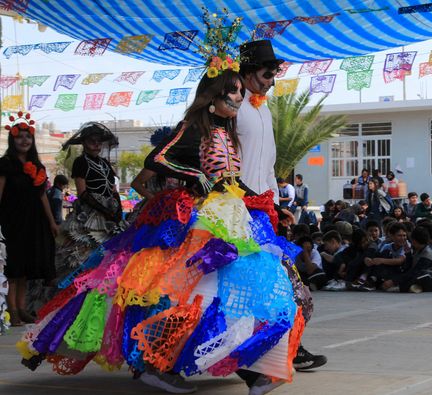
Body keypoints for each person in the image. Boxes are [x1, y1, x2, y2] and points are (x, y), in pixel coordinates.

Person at [19, 41, 304, 395]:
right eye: (232, 93)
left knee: (245, 286)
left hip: (232, 215)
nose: (237, 99)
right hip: (199, 219)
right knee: (190, 291)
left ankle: (257, 367)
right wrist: (193, 175)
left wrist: (263, 201)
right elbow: (158, 159)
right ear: (214, 94)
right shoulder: (197, 126)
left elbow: (230, 179)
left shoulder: (226, 131)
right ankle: (157, 363)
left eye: (239, 93)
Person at [238, 38, 326, 374]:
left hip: (265, 212)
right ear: (247, 72)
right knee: (253, 289)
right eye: (266, 72)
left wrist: (276, 204)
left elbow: (268, 166)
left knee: (286, 286)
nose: (271, 79)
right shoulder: (234, 109)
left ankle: (288, 348)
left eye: (275, 72)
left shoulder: (262, 110)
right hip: (238, 213)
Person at [0, 112, 58, 326]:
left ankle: (22, 308)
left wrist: (52, 221)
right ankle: (12, 311)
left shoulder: (38, 167)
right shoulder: (5, 164)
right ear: (12, 140)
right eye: (19, 137)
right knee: (12, 268)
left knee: (25, 268)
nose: (24, 141)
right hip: (11, 221)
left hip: (33, 222)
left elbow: (42, 196)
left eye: (28, 137)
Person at [57, 122, 125, 282]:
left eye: (99, 141)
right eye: (92, 141)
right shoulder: (81, 162)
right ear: (84, 143)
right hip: (90, 214)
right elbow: (83, 193)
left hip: (110, 214)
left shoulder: (105, 163)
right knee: (84, 254)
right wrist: (105, 211)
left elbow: (113, 188)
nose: (96, 144)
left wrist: (118, 210)